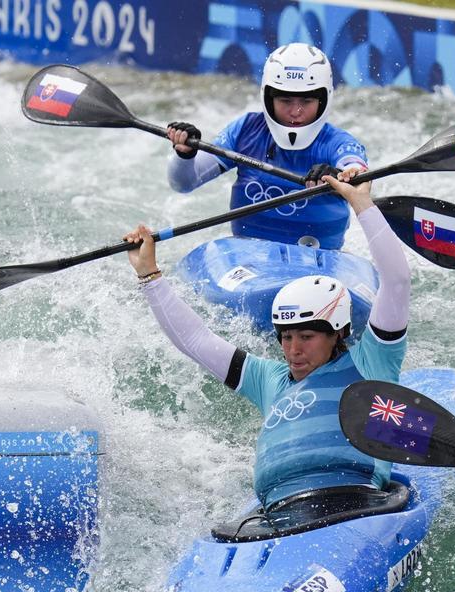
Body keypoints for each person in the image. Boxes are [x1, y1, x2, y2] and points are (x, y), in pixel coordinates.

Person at [124, 174, 408, 510]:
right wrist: (149, 274)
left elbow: (397, 280)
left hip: (356, 502)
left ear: (338, 333)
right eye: (286, 337)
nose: (293, 350)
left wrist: (360, 202)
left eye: (306, 336)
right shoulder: (269, 380)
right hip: (279, 511)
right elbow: (196, 340)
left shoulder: (371, 362)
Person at [166, 42, 368, 251]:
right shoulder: (246, 130)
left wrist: (339, 176)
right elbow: (183, 183)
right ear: (268, 97)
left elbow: (357, 173)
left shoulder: (338, 142)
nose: (295, 111)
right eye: (285, 99)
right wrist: (185, 154)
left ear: (324, 99)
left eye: (307, 100)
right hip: (249, 258)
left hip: (320, 262)